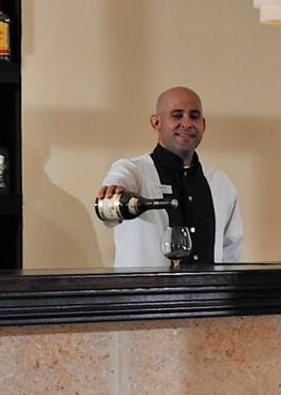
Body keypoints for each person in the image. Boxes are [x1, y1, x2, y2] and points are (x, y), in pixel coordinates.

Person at [97, 86, 243, 270]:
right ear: (156, 122)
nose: (187, 123)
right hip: (144, 297)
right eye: (177, 115)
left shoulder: (221, 183)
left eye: (194, 115)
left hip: (207, 298)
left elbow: (232, 254)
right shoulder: (133, 170)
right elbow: (111, 205)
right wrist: (115, 193)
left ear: (203, 124)